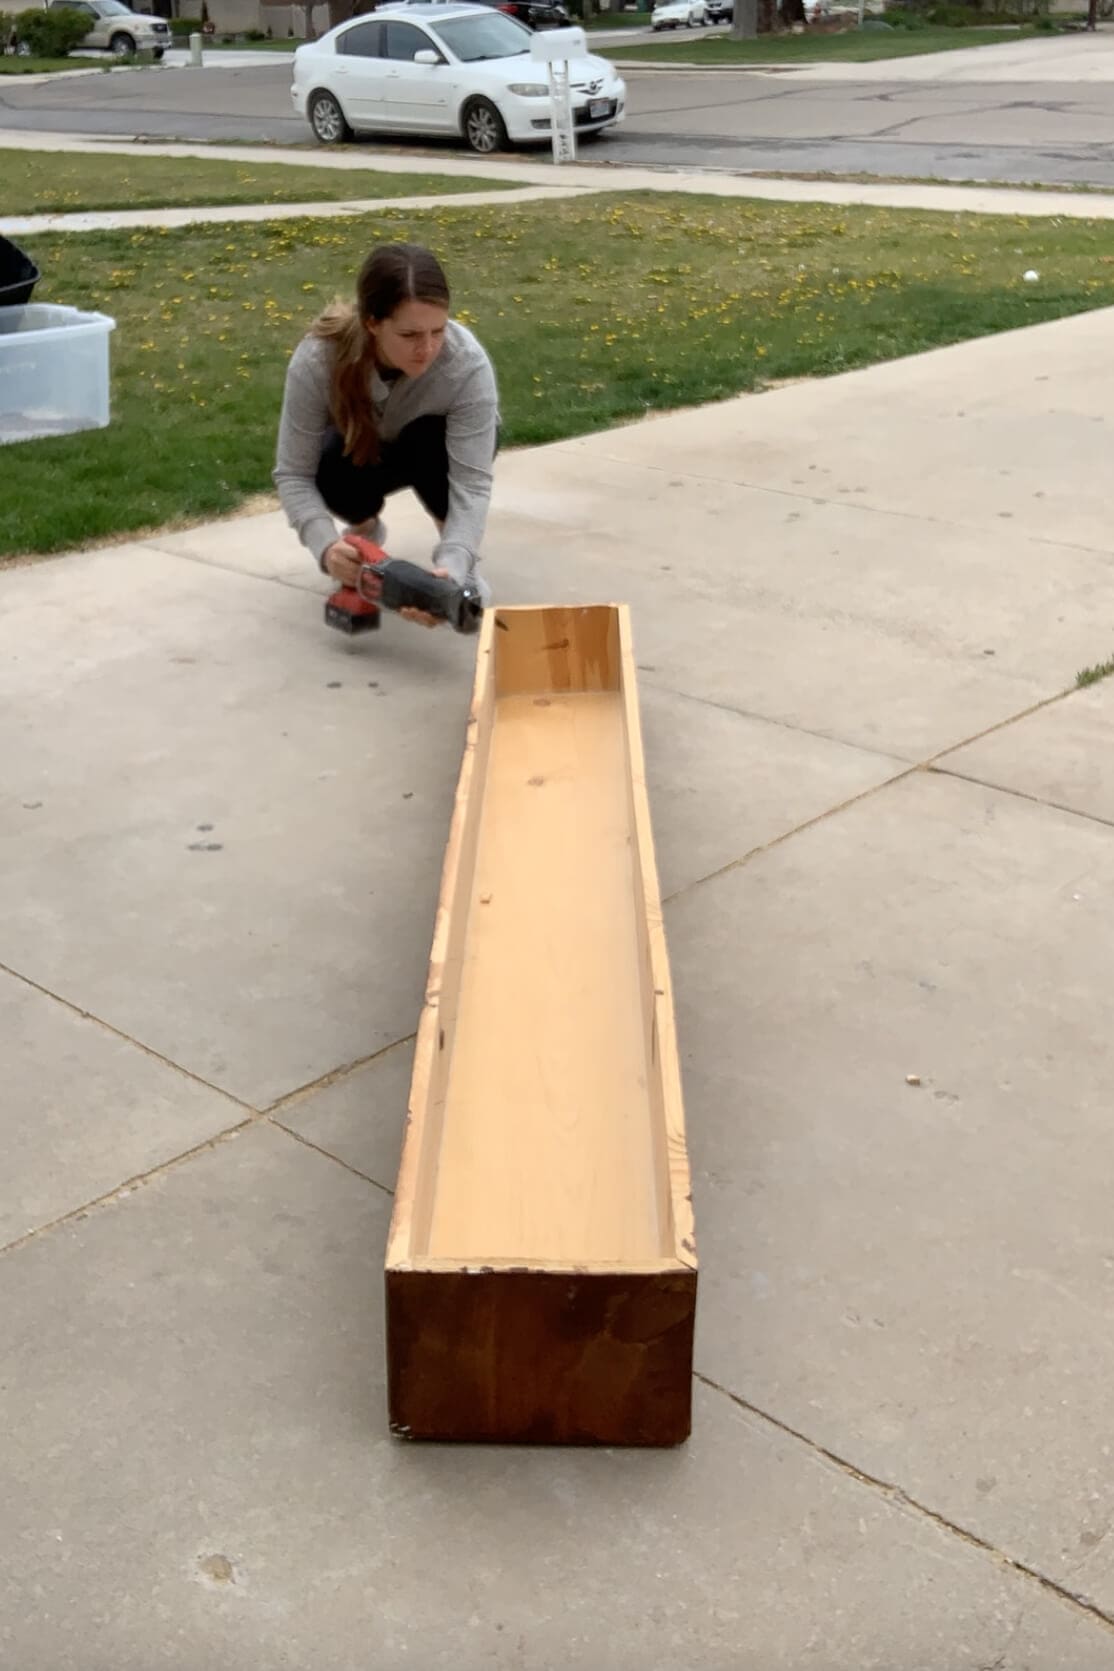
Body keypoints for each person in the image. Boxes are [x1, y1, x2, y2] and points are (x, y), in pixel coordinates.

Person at [273, 241, 499, 628]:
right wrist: (326, 548)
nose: (427, 348)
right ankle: (363, 536)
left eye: (438, 330)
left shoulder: (466, 365)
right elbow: (293, 473)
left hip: (433, 448)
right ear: (373, 323)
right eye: (410, 334)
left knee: (428, 436)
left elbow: (472, 484)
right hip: (368, 453)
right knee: (328, 464)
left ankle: (459, 566)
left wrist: (454, 565)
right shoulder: (317, 359)